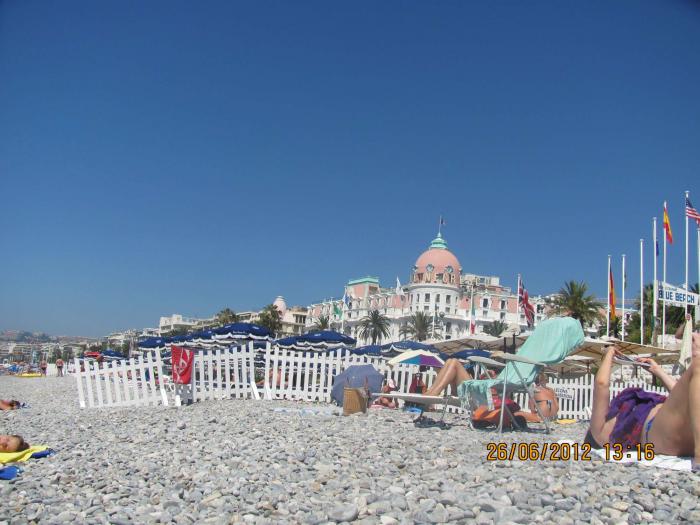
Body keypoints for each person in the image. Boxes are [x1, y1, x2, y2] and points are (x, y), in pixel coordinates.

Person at [586, 335, 700, 472]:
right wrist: (608, 353)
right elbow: (601, 384)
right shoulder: (598, 432)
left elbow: (692, 395)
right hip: (660, 434)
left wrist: (657, 371)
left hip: (676, 433)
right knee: (697, 365)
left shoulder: (605, 427)